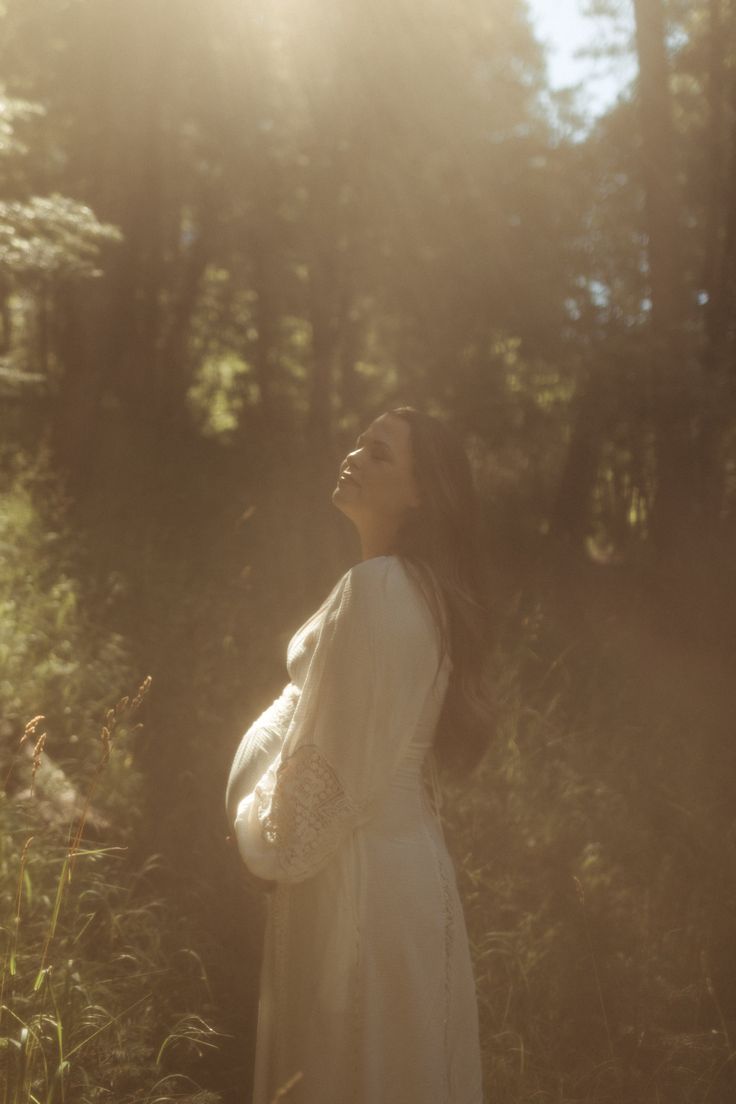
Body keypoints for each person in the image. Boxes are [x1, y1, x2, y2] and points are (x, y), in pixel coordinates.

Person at [225, 407, 492, 1104]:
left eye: (379, 453)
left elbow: (325, 788)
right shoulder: (418, 591)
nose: (354, 455)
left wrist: (260, 835)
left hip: (359, 889)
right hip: (400, 875)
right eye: (359, 442)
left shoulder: (380, 592)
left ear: (421, 492)